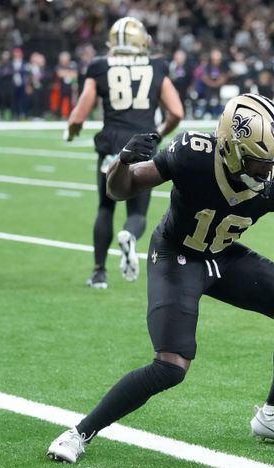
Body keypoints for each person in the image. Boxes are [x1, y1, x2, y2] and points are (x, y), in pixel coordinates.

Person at [47, 93, 274, 463]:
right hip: (177, 255)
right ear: (233, 150)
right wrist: (123, 161)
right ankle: (79, 433)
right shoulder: (192, 152)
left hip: (222, 254)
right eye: (260, 161)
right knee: (171, 365)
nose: (270, 171)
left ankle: (273, 417)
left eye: (273, 162)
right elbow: (119, 189)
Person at [64, 17, 184, 289]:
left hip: (112, 144)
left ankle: (98, 273)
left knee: (105, 207)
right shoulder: (156, 65)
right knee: (138, 213)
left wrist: (71, 132)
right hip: (143, 143)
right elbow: (176, 112)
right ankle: (129, 235)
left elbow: (78, 116)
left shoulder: (99, 65)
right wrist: (158, 134)